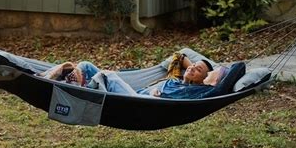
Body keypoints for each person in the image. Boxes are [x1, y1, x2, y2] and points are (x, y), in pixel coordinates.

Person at [39, 52, 228, 99]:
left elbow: (226, 77)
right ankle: (47, 77)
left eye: (198, 70)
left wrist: (210, 75)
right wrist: (193, 69)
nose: (192, 68)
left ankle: (76, 84)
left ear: (203, 80)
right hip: (132, 92)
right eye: (193, 65)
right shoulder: (175, 78)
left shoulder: (194, 92)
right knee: (85, 65)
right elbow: (178, 57)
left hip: (139, 102)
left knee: (108, 76)